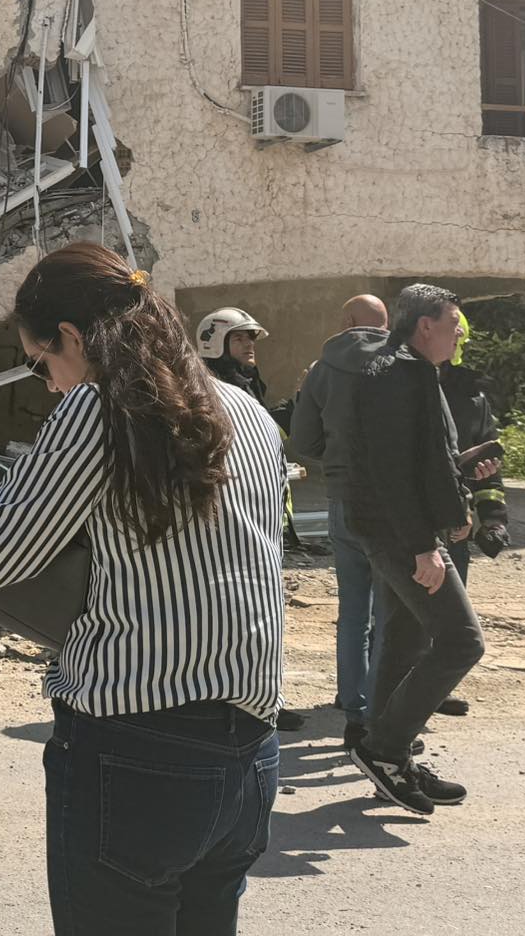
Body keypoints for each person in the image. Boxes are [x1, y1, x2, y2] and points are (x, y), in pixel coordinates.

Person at [0, 244, 284, 935]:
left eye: (42, 363)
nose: (47, 385)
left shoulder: (99, 409)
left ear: (71, 338)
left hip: (137, 752)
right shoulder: (248, 414)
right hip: (250, 756)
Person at [342, 284, 487, 815]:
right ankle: (384, 749)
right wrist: (425, 547)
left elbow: (425, 458)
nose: (457, 333)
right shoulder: (395, 376)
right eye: (452, 322)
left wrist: (460, 484)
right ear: (424, 325)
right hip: (401, 534)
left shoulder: (411, 373)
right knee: (461, 641)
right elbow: (392, 476)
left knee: (403, 640)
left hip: (405, 530)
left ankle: (388, 756)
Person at [198, 306, 307, 732]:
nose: (249, 347)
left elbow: (265, 434)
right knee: (233, 619)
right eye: (241, 339)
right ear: (216, 341)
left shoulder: (245, 384)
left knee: (259, 617)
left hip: (259, 523)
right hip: (231, 525)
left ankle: (261, 699)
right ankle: (238, 701)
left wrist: (297, 405)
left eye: (251, 340)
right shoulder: (212, 388)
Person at [290, 293, 389, 749]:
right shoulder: (407, 363)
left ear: (347, 321)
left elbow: (304, 441)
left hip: (344, 501)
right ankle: (383, 708)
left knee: (353, 612)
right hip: (393, 505)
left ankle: (353, 706)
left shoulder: (323, 369)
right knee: (390, 612)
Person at [433, 308, 509, 719]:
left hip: (458, 523)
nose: (453, 344)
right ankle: (383, 695)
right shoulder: (405, 384)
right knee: (399, 619)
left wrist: (494, 519)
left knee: (451, 619)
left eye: (458, 337)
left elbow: (489, 470)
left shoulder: (473, 396)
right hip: (418, 520)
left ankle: (435, 691)